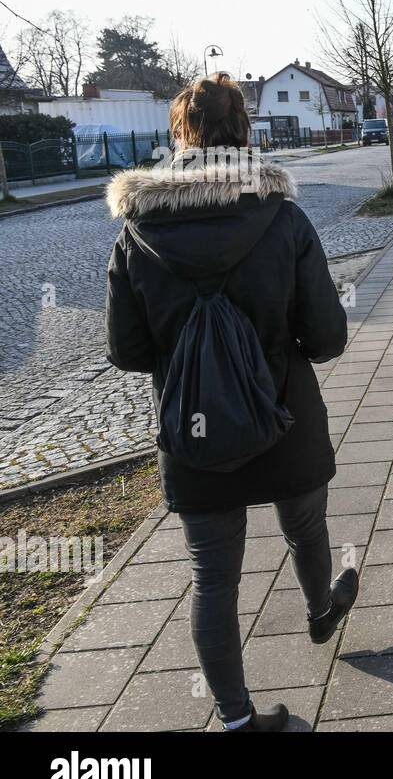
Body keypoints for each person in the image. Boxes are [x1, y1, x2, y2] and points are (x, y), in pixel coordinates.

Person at [105, 73, 357, 732]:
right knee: (305, 526)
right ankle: (321, 611)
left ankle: (238, 720)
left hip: (194, 428)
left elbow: (128, 352)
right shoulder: (284, 216)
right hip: (284, 412)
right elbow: (328, 337)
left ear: (179, 136)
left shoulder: (135, 230)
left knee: (213, 578)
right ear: (246, 132)